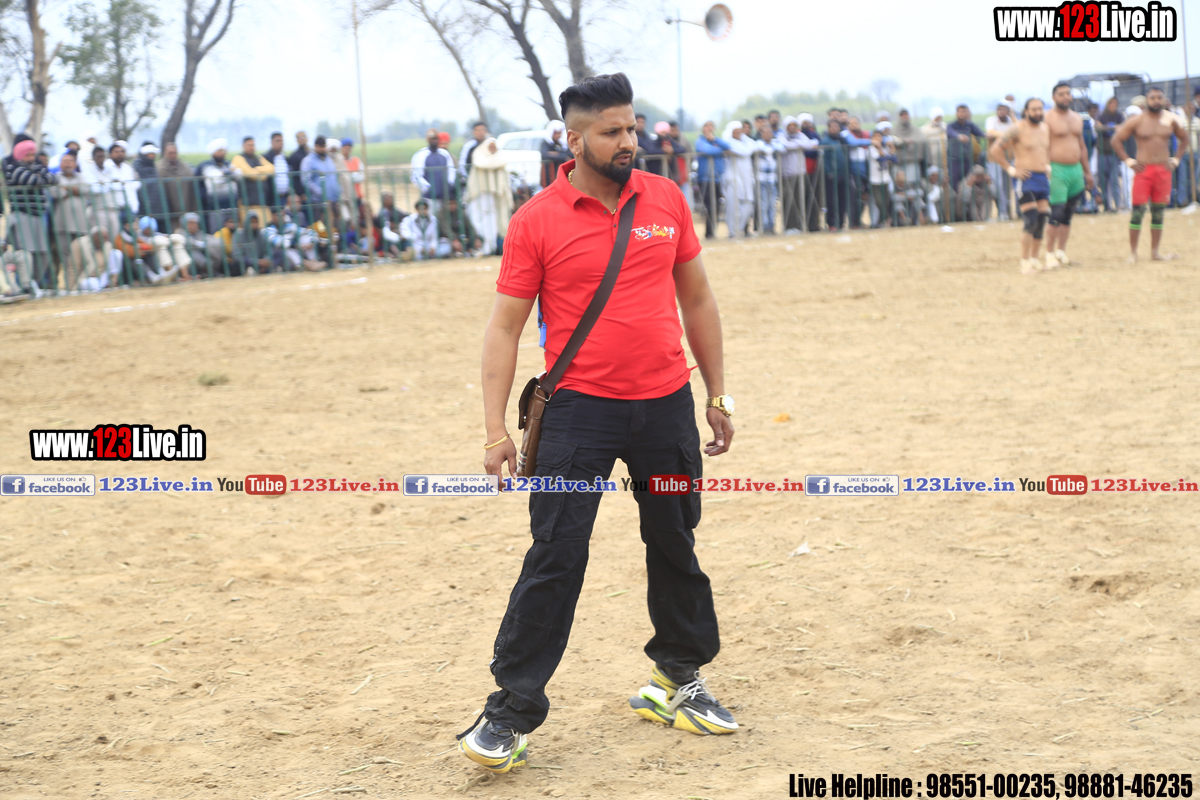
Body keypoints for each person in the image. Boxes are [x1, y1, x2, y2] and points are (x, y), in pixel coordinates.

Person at [459, 72, 736, 777]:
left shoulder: (665, 199)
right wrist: (494, 430)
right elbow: (504, 329)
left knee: (675, 542)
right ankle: (509, 711)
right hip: (578, 413)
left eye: (631, 128)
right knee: (556, 555)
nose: (628, 141)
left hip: (666, 405)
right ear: (574, 139)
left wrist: (718, 394)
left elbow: (698, 299)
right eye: (612, 131)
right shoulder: (537, 220)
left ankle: (678, 677)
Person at [1113, 86, 1189, 262]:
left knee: (1158, 212)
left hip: (1163, 171)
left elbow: (1184, 138)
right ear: (1146, 100)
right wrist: (1128, 160)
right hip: (1143, 170)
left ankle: (1155, 252)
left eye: (1159, 97)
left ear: (1164, 99)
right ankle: (1133, 253)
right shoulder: (1137, 120)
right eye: (1152, 98)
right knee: (1137, 212)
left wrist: (1176, 159)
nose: (1156, 101)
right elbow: (1116, 140)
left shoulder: (1171, 119)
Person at [989, 97, 1053, 274]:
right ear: (1026, 111)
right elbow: (995, 150)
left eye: (1040, 109)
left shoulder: (1045, 128)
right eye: (1034, 109)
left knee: (1041, 219)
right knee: (1031, 218)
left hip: (1042, 178)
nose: (1038, 112)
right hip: (1025, 179)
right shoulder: (1017, 128)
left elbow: (1045, 150)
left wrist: (1047, 165)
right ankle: (1024, 263)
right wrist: (1011, 169)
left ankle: (1034, 260)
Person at [1043, 82, 1095, 268]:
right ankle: (1049, 253)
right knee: (1056, 212)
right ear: (1054, 97)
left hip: (1075, 170)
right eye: (1061, 94)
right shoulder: (1047, 118)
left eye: (1068, 93)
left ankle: (1061, 252)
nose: (1065, 97)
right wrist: (1046, 168)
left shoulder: (1077, 118)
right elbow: (1042, 145)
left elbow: (1082, 146)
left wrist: (1087, 172)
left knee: (1068, 214)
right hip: (1056, 169)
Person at [6, 139, 58, 291]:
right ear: (20, 155)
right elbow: (32, 180)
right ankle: (23, 285)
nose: (31, 157)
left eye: (33, 154)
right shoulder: (14, 168)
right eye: (28, 155)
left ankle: (33, 282)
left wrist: (40, 178)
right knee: (26, 253)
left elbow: (54, 178)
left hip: (39, 215)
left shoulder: (37, 166)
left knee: (43, 254)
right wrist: (41, 179)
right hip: (23, 215)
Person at [465, 138, 513, 256]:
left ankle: (490, 247)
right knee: (474, 218)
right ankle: (484, 244)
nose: (492, 149)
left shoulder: (500, 158)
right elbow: (481, 165)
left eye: (494, 147)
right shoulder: (479, 156)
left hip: (493, 196)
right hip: (479, 194)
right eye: (490, 147)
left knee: (491, 222)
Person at [50, 152, 92, 263]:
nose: (68, 163)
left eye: (71, 161)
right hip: (62, 224)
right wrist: (74, 190)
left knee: (81, 254)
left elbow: (85, 190)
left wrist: (66, 188)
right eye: (65, 161)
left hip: (80, 224)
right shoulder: (55, 178)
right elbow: (55, 193)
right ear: (60, 164)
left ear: (75, 164)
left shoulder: (81, 177)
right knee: (65, 254)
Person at [945, 105, 986, 216]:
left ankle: (968, 213)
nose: (963, 114)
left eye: (965, 112)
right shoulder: (951, 125)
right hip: (954, 161)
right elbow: (951, 133)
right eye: (961, 112)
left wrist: (988, 136)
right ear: (957, 113)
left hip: (967, 160)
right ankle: (957, 214)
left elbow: (981, 133)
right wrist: (959, 136)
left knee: (968, 186)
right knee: (955, 188)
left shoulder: (969, 125)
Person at [694, 121, 729, 239]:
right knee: (709, 206)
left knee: (718, 206)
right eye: (706, 126)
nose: (709, 128)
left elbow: (728, 146)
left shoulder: (717, 141)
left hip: (718, 179)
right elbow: (706, 150)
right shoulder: (700, 141)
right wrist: (719, 150)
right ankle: (709, 233)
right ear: (703, 129)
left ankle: (713, 230)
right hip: (705, 179)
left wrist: (715, 140)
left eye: (711, 126)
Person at [721, 120, 756, 238]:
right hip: (733, 178)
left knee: (748, 204)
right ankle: (732, 231)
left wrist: (744, 138)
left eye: (739, 131)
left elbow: (751, 147)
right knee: (733, 206)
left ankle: (739, 229)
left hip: (746, 179)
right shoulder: (728, 142)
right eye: (735, 131)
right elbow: (745, 151)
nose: (738, 133)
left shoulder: (745, 141)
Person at [230, 135, 276, 225]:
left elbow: (272, 168)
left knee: (267, 227)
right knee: (251, 228)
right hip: (248, 205)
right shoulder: (238, 158)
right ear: (243, 146)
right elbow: (251, 174)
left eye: (253, 145)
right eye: (249, 145)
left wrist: (257, 169)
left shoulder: (259, 158)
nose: (252, 147)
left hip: (263, 203)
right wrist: (263, 174)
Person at [196, 139, 239, 233]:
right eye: (219, 151)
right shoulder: (206, 165)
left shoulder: (228, 164)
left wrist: (226, 174)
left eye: (224, 151)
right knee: (217, 234)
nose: (222, 153)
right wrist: (229, 175)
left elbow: (239, 174)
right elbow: (216, 179)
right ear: (213, 152)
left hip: (232, 206)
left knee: (234, 233)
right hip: (216, 208)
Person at [411, 128, 456, 215]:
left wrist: (450, 184)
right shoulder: (421, 155)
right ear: (427, 139)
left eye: (436, 138)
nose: (434, 141)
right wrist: (428, 188)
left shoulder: (444, 154)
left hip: (445, 198)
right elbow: (416, 176)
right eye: (432, 138)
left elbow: (451, 170)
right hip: (429, 198)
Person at [300, 135, 339, 231]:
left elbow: (334, 176)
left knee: (334, 227)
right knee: (321, 229)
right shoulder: (308, 161)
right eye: (320, 146)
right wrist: (321, 192)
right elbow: (306, 180)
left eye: (324, 146)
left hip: (333, 201)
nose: (323, 149)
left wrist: (338, 190)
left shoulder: (328, 159)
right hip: (318, 202)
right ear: (316, 146)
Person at [985, 102, 1016, 220]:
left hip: (1011, 159)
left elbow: (1019, 130)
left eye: (1004, 110)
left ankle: (1011, 212)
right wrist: (1008, 135)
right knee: (998, 186)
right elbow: (991, 132)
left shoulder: (1012, 121)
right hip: (995, 160)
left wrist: (1012, 116)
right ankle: (1002, 212)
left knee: (1011, 187)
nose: (1002, 112)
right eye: (1000, 110)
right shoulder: (991, 120)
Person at [821, 119, 853, 232]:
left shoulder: (842, 140)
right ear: (828, 128)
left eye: (836, 126)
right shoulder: (825, 141)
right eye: (832, 126)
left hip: (843, 174)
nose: (834, 129)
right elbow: (824, 159)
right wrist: (829, 172)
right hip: (831, 175)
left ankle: (841, 223)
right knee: (831, 201)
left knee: (842, 200)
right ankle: (831, 224)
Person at [69, 227, 123, 292]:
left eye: (106, 237)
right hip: (86, 278)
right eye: (102, 237)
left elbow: (112, 268)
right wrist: (71, 287)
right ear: (94, 237)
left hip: (103, 277)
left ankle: (111, 284)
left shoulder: (107, 245)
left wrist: (113, 280)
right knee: (92, 284)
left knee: (117, 253)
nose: (104, 240)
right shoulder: (79, 244)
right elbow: (73, 267)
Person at [158, 142, 197, 231]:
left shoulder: (184, 167)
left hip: (186, 205)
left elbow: (191, 181)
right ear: (165, 153)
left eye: (174, 153)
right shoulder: (160, 168)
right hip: (170, 209)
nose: (173, 155)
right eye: (170, 153)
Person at [1094, 98, 1124, 212]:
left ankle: (1118, 205)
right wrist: (1111, 127)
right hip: (1102, 152)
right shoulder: (1101, 115)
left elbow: (1124, 128)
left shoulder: (1119, 116)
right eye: (1111, 103)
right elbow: (1098, 127)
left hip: (1114, 153)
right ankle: (1107, 206)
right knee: (1103, 180)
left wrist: (1105, 127)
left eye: (1115, 103)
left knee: (1114, 179)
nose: (1113, 105)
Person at [133, 142, 170, 232]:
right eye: (149, 154)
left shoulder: (154, 167)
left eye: (153, 154)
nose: (152, 156)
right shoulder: (137, 167)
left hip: (159, 208)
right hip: (145, 209)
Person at [754, 125, 782, 233]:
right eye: (765, 133)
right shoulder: (758, 143)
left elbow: (782, 148)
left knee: (772, 204)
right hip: (762, 179)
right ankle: (765, 226)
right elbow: (764, 149)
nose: (768, 135)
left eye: (770, 132)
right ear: (761, 134)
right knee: (764, 204)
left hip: (772, 179)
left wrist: (771, 148)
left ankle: (772, 225)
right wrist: (771, 148)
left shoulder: (775, 143)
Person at [181, 212, 226, 278]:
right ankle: (211, 272)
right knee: (193, 251)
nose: (192, 225)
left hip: (203, 260)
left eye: (195, 223)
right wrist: (204, 245)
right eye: (190, 223)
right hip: (188, 264)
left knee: (216, 247)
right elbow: (190, 243)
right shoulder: (181, 232)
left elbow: (212, 240)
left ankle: (208, 272)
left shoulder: (199, 233)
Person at [867, 131, 896, 227]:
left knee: (886, 201)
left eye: (879, 137)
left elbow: (894, 160)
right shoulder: (871, 149)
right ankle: (887, 218)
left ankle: (880, 222)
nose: (877, 139)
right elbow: (880, 159)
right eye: (875, 137)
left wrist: (891, 149)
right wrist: (886, 153)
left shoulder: (885, 148)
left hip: (885, 178)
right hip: (875, 180)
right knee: (879, 202)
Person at [893, 109, 928, 185]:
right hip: (898, 163)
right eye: (902, 115)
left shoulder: (915, 129)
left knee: (912, 184)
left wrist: (911, 142)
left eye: (906, 115)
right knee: (900, 185)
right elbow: (893, 141)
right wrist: (903, 142)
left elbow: (922, 140)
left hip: (912, 162)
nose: (905, 117)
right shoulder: (894, 130)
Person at [232, 210, 272, 276]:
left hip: (260, 264)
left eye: (256, 222)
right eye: (251, 222)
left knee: (277, 254)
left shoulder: (261, 235)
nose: (254, 225)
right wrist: (256, 262)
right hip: (246, 264)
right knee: (238, 263)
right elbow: (237, 256)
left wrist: (265, 260)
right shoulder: (238, 235)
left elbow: (266, 252)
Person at [265, 206, 302, 271]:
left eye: (283, 215)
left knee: (305, 239)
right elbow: (279, 243)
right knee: (285, 250)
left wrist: (311, 241)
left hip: (291, 251)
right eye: (278, 215)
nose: (281, 218)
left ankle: (312, 260)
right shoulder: (269, 229)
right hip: (274, 256)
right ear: (272, 216)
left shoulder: (290, 226)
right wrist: (294, 245)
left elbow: (304, 232)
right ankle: (301, 264)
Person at [540, 120, 571, 188]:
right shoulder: (546, 143)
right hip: (549, 175)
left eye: (560, 133)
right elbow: (545, 155)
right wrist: (561, 156)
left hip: (561, 175)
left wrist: (557, 154)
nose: (558, 136)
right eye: (556, 133)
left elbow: (568, 154)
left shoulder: (562, 144)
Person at [263, 131, 290, 207]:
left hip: (285, 197)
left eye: (281, 141)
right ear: (271, 142)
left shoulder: (286, 158)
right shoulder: (266, 158)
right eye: (277, 141)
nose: (280, 143)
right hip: (272, 198)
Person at [287, 131, 310, 203]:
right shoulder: (294, 156)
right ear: (297, 140)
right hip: (302, 193)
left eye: (304, 136)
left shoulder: (311, 154)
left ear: (307, 139)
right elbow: (294, 177)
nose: (302, 139)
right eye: (300, 137)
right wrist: (301, 193)